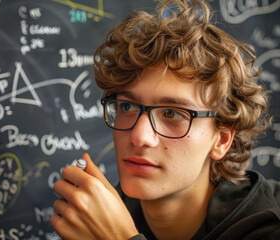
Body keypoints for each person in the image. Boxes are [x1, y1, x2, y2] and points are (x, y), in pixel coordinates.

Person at [50, 0, 280, 239]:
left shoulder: (268, 227)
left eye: (172, 114)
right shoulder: (97, 217)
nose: (139, 136)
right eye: (127, 106)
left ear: (221, 140)